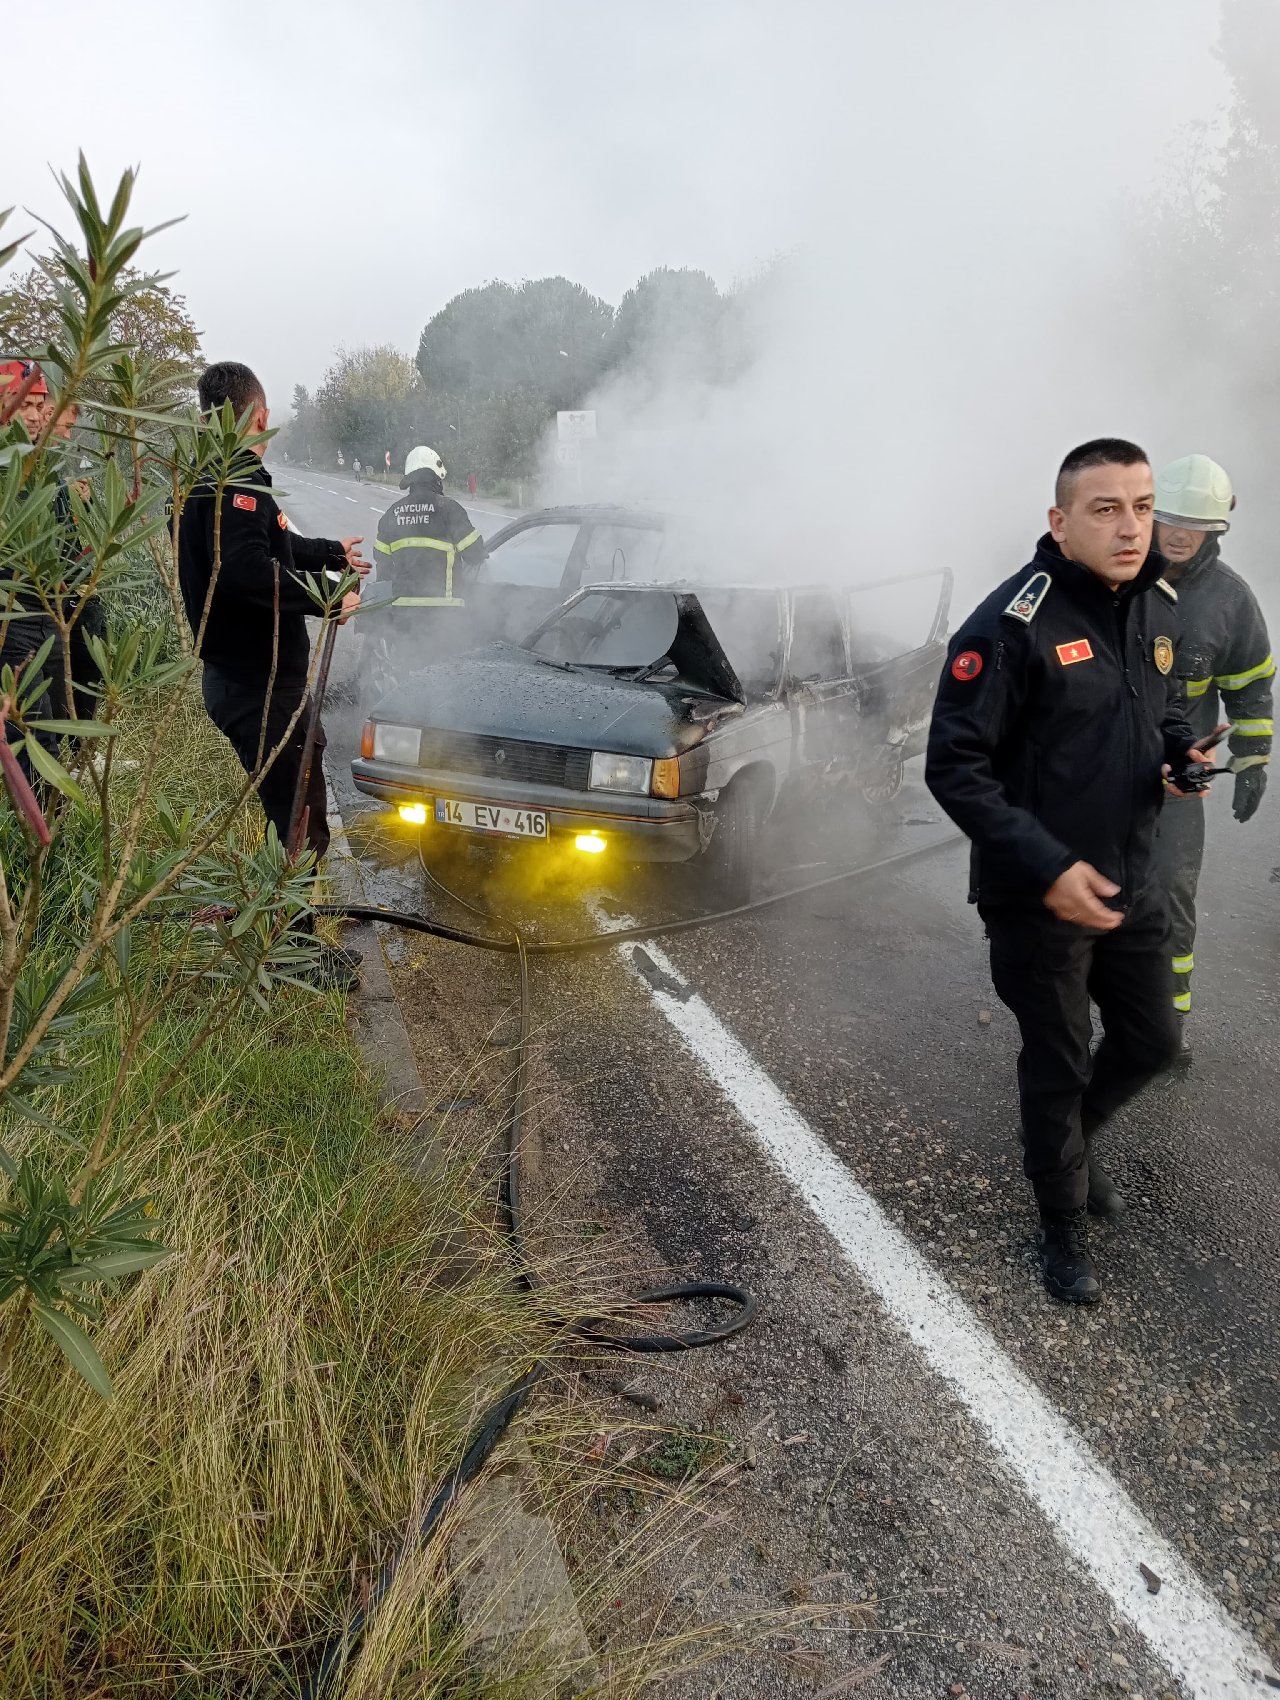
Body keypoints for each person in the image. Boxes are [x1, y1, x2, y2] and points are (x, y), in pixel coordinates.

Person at [925, 439, 1217, 1304]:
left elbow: (1160, 714)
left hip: (1132, 876)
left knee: (1155, 1043)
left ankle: (1068, 1153)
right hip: (1038, 895)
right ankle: (1059, 1223)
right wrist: (1048, 868)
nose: (1134, 527)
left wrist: (1178, 758)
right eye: (1106, 509)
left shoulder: (1156, 609)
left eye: (1143, 505)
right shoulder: (1011, 625)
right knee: (1057, 1062)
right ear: (1059, 521)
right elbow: (955, 765)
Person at [178, 360, 369, 988]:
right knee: (299, 814)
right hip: (258, 687)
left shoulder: (227, 479)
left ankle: (283, 933)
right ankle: (296, 958)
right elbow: (246, 572)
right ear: (259, 416)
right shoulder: (236, 483)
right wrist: (324, 597)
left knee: (289, 807)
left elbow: (274, 545)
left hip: (250, 680)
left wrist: (331, 554)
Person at [1150, 455, 1271, 1055]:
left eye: (1193, 524)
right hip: (1102, 767)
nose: (1177, 534)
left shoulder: (1230, 602)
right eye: (1169, 518)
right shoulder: (1114, 574)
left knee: (1172, 887)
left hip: (1181, 776)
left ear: (1216, 528)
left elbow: (1250, 687)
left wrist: (1253, 760)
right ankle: (1078, 1014)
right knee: (1091, 885)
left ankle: (1167, 1025)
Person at [370, 445, 487, 679]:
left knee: (409, 675)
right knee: (445, 679)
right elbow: (474, 554)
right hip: (445, 616)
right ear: (435, 477)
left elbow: (382, 570)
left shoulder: (391, 514)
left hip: (404, 615)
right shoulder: (449, 509)